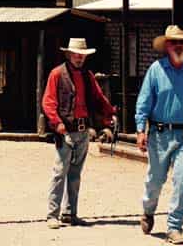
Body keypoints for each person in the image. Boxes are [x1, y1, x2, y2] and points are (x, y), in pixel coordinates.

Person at [135, 25, 183, 245]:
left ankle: (174, 227)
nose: (178, 46)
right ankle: (148, 211)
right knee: (155, 180)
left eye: (181, 42)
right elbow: (143, 102)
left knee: (182, 181)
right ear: (166, 46)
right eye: (173, 42)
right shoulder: (155, 70)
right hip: (159, 135)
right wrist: (141, 130)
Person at [42, 38, 117, 229]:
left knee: (75, 174)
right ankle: (52, 214)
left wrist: (109, 114)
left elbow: (99, 98)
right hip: (65, 130)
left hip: (83, 131)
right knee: (59, 173)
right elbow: (48, 102)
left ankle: (70, 213)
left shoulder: (87, 75)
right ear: (68, 54)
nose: (79, 58)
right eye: (76, 54)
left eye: (82, 55)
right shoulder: (57, 74)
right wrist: (57, 123)